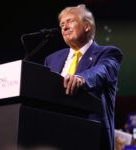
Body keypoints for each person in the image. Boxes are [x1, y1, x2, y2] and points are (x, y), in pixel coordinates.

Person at [44, 4, 123, 150]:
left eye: (70, 21)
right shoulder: (52, 59)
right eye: (62, 24)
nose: (64, 27)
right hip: (54, 136)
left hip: (90, 137)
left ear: (87, 26)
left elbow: (102, 71)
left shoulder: (108, 53)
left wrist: (81, 78)